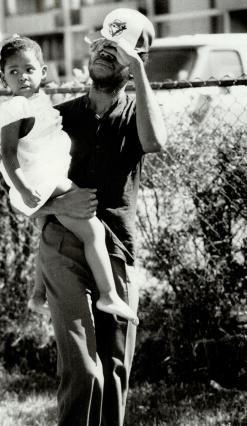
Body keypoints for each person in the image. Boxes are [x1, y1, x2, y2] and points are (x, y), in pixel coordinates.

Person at [31, 8, 167, 426]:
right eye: (103, 44)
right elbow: (19, 194)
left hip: (118, 250)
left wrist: (140, 72)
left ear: (134, 61)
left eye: (120, 49)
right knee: (83, 371)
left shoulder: (135, 111)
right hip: (64, 248)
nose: (107, 52)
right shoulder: (59, 116)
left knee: (114, 368)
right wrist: (57, 206)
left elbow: (155, 141)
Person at [0, 36, 139, 324]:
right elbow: (8, 155)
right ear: (2, 78)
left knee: (46, 225)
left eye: (29, 69)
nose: (22, 76)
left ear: (43, 72)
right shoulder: (14, 107)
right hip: (39, 180)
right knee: (92, 230)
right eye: (13, 72)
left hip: (43, 178)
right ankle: (108, 294)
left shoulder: (37, 102)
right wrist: (24, 190)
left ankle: (38, 296)